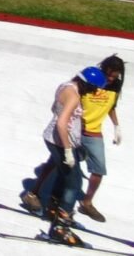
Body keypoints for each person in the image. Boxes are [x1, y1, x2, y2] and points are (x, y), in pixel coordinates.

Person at [20, 65, 107, 245]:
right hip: (60, 142)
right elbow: (61, 123)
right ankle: (60, 227)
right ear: (86, 84)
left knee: (63, 174)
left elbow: (55, 109)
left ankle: (53, 208)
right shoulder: (74, 96)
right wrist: (68, 150)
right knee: (74, 182)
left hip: (55, 140)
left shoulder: (65, 86)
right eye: (93, 89)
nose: (93, 92)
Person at [76, 55, 125, 223]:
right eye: (109, 75)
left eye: (115, 76)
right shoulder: (91, 79)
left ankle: (87, 202)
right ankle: (36, 193)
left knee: (98, 170)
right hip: (76, 129)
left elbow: (111, 106)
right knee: (57, 163)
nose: (111, 79)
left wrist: (116, 126)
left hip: (94, 132)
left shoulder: (115, 86)